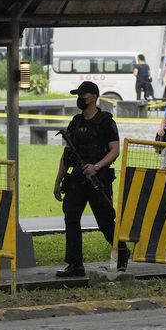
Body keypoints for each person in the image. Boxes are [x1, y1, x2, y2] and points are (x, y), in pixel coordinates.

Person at [53, 81, 129, 277]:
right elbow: (67, 154)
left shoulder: (105, 121)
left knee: (105, 221)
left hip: (99, 180)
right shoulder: (75, 122)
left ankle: (121, 253)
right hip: (76, 181)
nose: (80, 99)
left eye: (83, 95)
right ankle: (75, 265)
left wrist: (96, 167)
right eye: (78, 95)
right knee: (71, 219)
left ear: (94, 97)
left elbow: (115, 150)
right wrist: (58, 180)